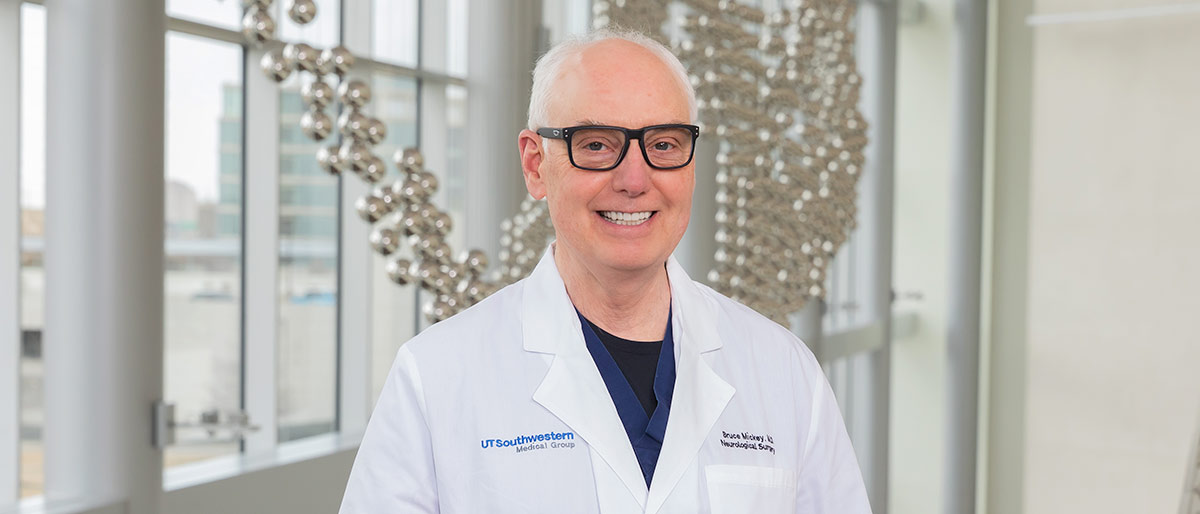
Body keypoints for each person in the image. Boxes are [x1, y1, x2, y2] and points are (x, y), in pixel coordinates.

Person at [339, 28, 872, 514]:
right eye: (597, 145)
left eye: (664, 145)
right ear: (535, 164)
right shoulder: (436, 377)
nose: (634, 179)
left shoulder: (783, 372)